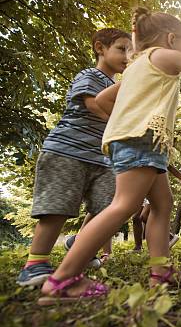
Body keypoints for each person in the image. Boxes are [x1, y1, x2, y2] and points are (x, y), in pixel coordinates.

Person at [37, 7, 181, 304]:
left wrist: (123, 122)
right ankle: (63, 279)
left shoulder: (134, 67)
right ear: (172, 38)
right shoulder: (167, 55)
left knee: (162, 203)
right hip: (142, 140)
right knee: (124, 205)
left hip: (136, 140)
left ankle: (162, 271)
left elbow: (104, 99)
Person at [16, 28, 131, 287]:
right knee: (57, 207)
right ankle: (35, 264)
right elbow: (95, 105)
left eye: (131, 51)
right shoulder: (90, 76)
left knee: (110, 207)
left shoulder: (116, 86)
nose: (128, 56)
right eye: (122, 49)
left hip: (102, 158)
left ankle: (80, 245)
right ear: (100, 48)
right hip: (67, 151)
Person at [132, 165, 181, 252]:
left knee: (143, 216)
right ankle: (138, 247)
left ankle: (170, 236)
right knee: (136, 217)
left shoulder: (154, 154)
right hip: (140, 186)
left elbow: (168, 164)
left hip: (152, 187)